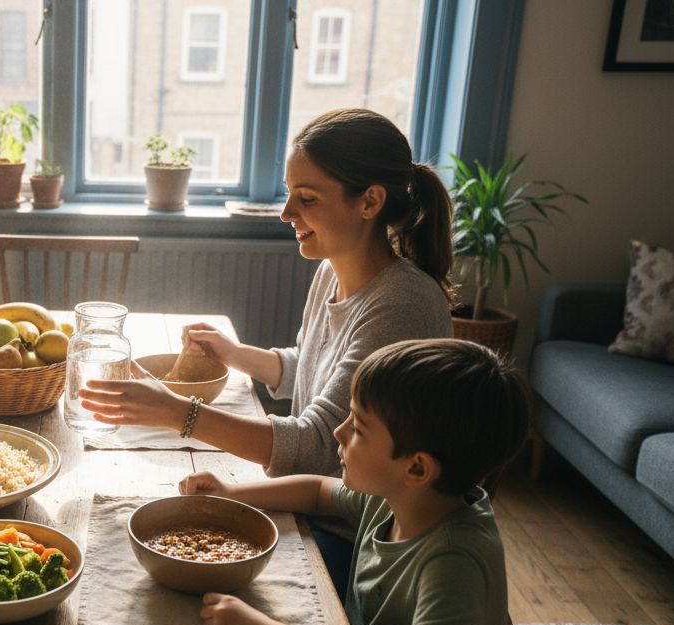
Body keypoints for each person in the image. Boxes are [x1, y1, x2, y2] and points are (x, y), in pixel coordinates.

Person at [78, 107, 455, 594]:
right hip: (315, 505)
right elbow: (313, 371)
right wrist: (234, 353)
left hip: (358, 541)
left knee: (139, 565)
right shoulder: (334, 271)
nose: (286, 213)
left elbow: (318, 445)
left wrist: (180, 414)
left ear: (370, 202)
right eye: (289, 193)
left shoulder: (401, 305)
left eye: (307, 198)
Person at [179, 339, 529, 625]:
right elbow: (319, 491)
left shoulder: (454, 561)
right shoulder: (402, 495)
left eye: (358, 428)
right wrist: (233, 493)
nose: (339, 432)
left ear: (417, 467)